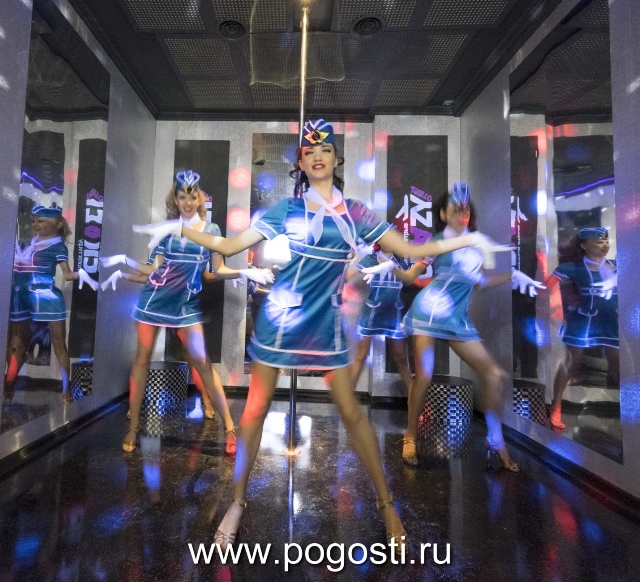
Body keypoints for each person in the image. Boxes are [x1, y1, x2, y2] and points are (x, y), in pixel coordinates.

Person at [133, 119, 507, 554]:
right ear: (301, 163)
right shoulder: (287, 210)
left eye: (325, 149)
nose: (317, 155)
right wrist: (177, 229)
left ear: (336, 159)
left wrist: (471, 241)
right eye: (309, 151)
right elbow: (231, 247)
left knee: (352, 414)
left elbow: (412, 251)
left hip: (325, 325)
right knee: (254, 412)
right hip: (280, 320)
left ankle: (387, 505)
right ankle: (236, 502)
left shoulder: (357, 213)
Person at [100, 170, 273, 454]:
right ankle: (133, 427)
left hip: (186, 305)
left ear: (199, 199)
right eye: (182, 197)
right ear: (176, 200)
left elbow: (216, 269)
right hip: (153, 302)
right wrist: (124, 261)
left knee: (203, 362)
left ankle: (230, 427)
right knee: (141, 360)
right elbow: (153, 270)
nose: (188, 202)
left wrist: (244, 271)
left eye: (192, 197)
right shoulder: (168, 230)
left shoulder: (211, 230)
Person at [387, 182, 544, 470]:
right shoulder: (438, 242)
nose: (462, 215)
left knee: (494, 375)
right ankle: (410, 436)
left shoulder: (477, 243)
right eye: (455, 210)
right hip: (430, 313)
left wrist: (513, 275)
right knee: (424, 376)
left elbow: (481, 282)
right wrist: (389, 265)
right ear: (443, 215)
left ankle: (495, 439)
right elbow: (410, 277)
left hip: (458, 318)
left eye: (466, 210)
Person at [100, 247, 272, 421]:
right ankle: (134, 407)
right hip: (157, 307)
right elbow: (148, 276)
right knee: (143, 358)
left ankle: (206, 401)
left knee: (196, 358)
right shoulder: (162, 247)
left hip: (182, 309)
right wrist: (122, 275)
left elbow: (208, 275)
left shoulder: (198, 250)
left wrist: (236, 274)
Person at [4, 205, 98, 403]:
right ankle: (9, 384)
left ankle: (65, 391)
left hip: (48, 299)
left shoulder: (58, 247)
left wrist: (84, 275)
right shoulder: (29, 243)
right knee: (17, 345)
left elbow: (67, 274)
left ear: (57, 224)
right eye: (33, 221)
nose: (35, 225)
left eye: (41, 221)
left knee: (59, 345)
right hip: (24, 298)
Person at [547, 227, 618, 429]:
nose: (605, 245)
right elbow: (546, 287)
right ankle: (556, 407)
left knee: (619, 364)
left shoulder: (617, 266)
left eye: (606, 241)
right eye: (599, 242)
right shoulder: (572, 267)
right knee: (572, 362)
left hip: (611, 321)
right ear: (584, 245)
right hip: (583, 321)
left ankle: (627, 413)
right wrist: (555, 311)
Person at [351, 243, 427, 391]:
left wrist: (423, 259)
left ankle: (413, 400)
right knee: (361, 355)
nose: (388, 242)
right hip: (372, 311)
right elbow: (350, 276)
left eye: (391, 239)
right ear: (379, 241)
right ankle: (347, 398)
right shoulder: (370, 259)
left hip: (394, 311)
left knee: (401, 357)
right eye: (385, 239)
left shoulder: (400, 261)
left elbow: (411, 276)